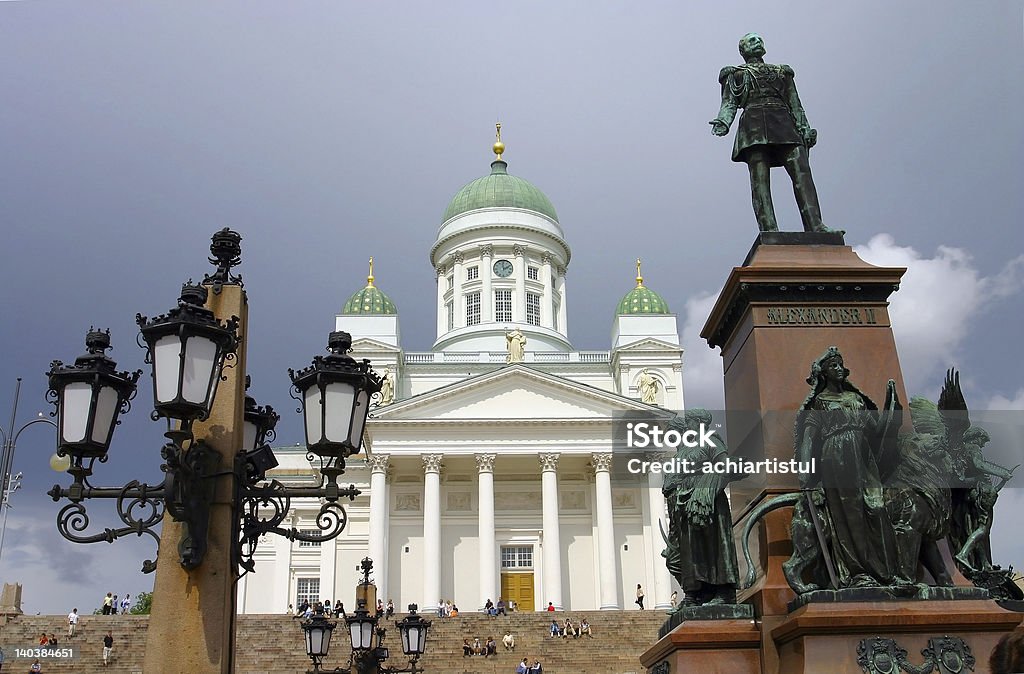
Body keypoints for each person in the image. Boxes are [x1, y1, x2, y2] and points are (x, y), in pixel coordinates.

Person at [795, 346, 902, 588]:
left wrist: (892, 407)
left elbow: (876, 431)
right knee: (848, 513)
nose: (839, 369)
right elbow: (809, 438)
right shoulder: (820, 403)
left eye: (841, 364)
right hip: (836, 455)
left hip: (863, 457)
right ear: (824, 373)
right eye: (833, 365)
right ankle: (858, 572)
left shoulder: (856, 400)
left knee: (876, 507)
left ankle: (886, 570)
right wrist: (804, 469)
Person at [710, 33, 830, 235]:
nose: (757, 42)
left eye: (759, 39)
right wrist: (723, 122)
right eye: (751, 40)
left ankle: (816, 225)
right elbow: (729, 102)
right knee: (760, 180)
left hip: (784, 123)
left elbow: (795, 103)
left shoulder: (782, 72)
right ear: (743, 51)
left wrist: (805, 127)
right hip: (754, 124)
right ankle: (769, 230)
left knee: (802, 173)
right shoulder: (736, 74)